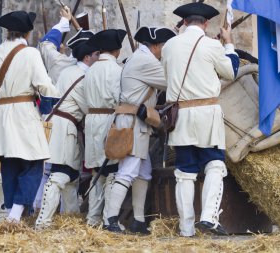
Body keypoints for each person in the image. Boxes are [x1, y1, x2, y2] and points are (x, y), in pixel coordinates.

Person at [161, 2, 239, 236]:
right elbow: (231, 71)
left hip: (180, 115)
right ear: (205, 24)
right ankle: (209, 217)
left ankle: (186, 230)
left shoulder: (169, 46)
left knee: (185, 172)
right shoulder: (212, 45)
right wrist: (229, 43)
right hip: (207, 114)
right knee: (214, 164)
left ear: (184, 22)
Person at [0, 10, 59, 223]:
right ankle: (14, 215)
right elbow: (44, 84)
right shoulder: (30, 53)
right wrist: (47, 105)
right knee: (33, 162)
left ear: (8, 32)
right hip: (24, 112)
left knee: (10, 164)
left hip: (3, 114)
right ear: (28, 33)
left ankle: (13, 213)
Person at [106, 27, 176, 234]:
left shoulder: (141, 58)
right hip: (133, 122)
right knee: (128, 170)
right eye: (164, 47)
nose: (165, 51)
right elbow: (170, 81)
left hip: (138, 122)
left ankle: (138, 221)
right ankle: (110, 219)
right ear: (155, 46)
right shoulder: (146, 61)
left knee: (143, 172)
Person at [35, 30, 100, 229]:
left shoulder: (69, 71)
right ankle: (43, 221)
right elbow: (89, 108)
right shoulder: (82, 76)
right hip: (65, 127)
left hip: (62, 125)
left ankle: (69, 219)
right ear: (88, 57)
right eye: (97, 55)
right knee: (60, 174)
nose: (99, 58)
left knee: (71, 176)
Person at [83, 29, 126, 228]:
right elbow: (121, 98)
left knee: (96, 171)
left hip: (91, 119)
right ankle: (110, 218)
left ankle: (93, 218)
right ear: (116, 50)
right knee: (111, 169)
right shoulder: (116, 70)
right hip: (109, 118)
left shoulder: (90, 69)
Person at [39, 6, 77, 85]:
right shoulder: (88, 69)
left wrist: (64, 21)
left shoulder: (60, 63)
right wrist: (62, 54)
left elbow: (46, 45)